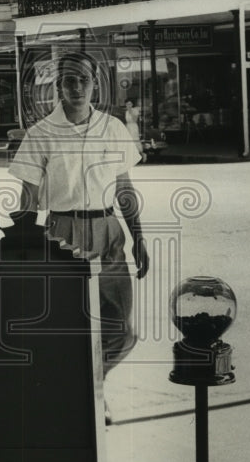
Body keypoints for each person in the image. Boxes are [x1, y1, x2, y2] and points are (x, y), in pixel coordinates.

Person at [8, 51, 149, 421]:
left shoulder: (113, 128)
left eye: (83, 80)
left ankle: (88, 385)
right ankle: (87, 397)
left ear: (95, 84)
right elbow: (28, 199)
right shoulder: (41, 134)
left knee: (122, 330)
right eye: (69, 81)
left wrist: (140, 236)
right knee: (69, 327)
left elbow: (125, 189)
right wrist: (21, 248)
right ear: (58, 86)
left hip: (109, 232)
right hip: (63, 233)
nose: (77, 87)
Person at [124, 97, 147, 162]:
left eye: (130, 104)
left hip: (133, 127)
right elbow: (127, 121)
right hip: (128, 127)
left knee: (135, 140)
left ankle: (142, 154)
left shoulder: (135, 110)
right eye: (127, 104)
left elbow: (134, 119)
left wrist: (131, 111)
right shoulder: (126, 112)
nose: (129, 105)